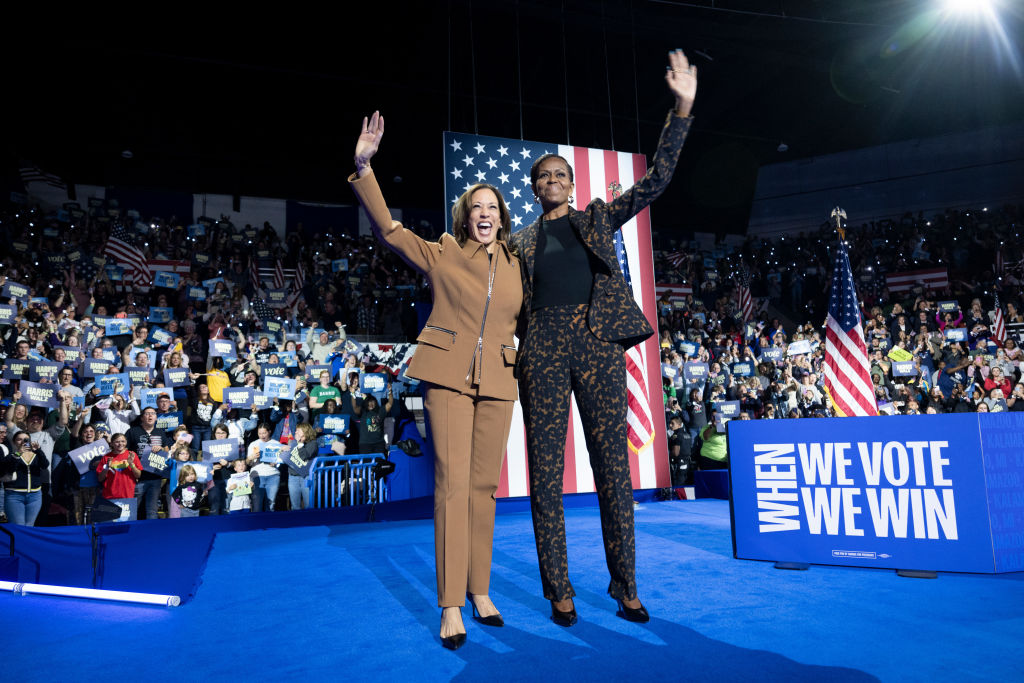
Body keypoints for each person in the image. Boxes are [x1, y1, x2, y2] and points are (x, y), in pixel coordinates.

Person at [509, 49, 697, 626]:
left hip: (596, 345)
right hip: (540, 347)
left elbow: (657, 181)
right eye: (543, 177)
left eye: (560, 175)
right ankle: (558, 590)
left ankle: (627, 587)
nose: (553, 181)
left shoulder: (596, 218)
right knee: (545, 475)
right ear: (534, 188)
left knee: (614, 470)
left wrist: (682, 107)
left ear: (571, 182)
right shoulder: (516, 242)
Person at [350, 110, 522, 650]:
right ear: (464, 215)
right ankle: (451, 604)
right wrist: (364, 167)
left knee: (483, 489)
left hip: (498, 378)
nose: (485, 215)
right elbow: (390, 231)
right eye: (477, 208)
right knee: (450, 487)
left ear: (504, 216)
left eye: (493, 208)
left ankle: (481, 590)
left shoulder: (520, 263)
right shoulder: (444, 252)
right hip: (445, 376)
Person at [2, 432, 49, 525]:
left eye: (26, 439)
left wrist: (38, 450)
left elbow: (45, 465)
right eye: (19, 439)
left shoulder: (36, 455)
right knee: (19, 526)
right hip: (14, 495)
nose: (23, 441)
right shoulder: (11, 456)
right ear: (14, 442)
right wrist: (18, 454)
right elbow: (10, 469)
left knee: (29, 526)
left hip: (35, 495)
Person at [96, 434, 142, 501]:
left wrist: (131, 464)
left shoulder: (132, 455)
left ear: (126, 442)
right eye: (117, 442)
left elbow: (138, 475)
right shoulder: (106, 457)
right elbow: (100, 479)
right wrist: (107, 467)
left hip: (128, 496)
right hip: (110, 496)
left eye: (123, 441)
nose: (120, 444)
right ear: (111, 444)